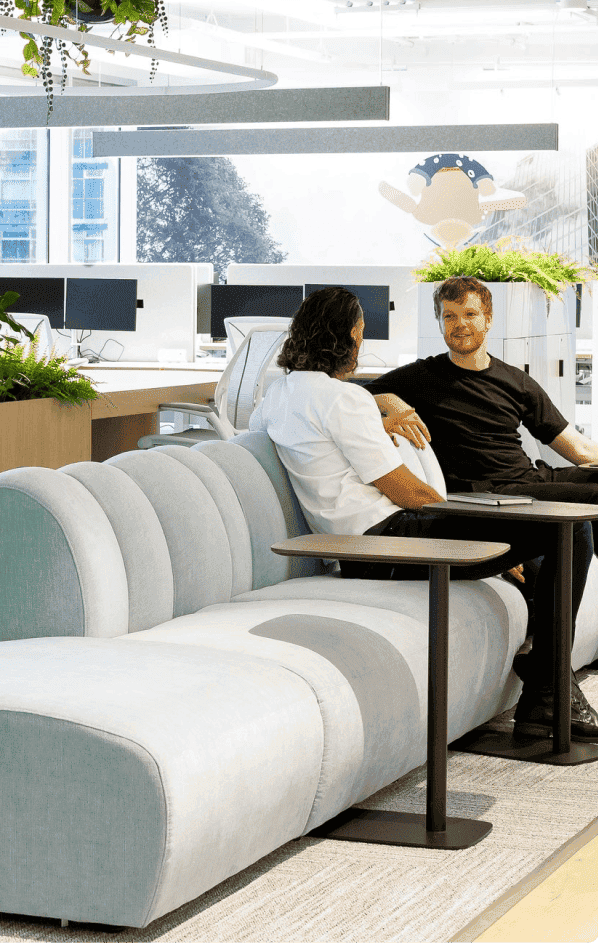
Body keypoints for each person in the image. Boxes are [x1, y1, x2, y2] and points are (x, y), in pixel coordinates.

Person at [249, 285, 598, 741]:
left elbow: (311, 437)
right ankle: (546, 693)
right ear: (349, 336)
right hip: (389, 542)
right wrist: (487, 534)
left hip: (362, 545)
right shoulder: (342, 400)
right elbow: (409, 492)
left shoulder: (276, 396)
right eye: (360, 333)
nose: (361, 344)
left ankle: (547, 689)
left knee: (559, 528)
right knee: (568, 529)